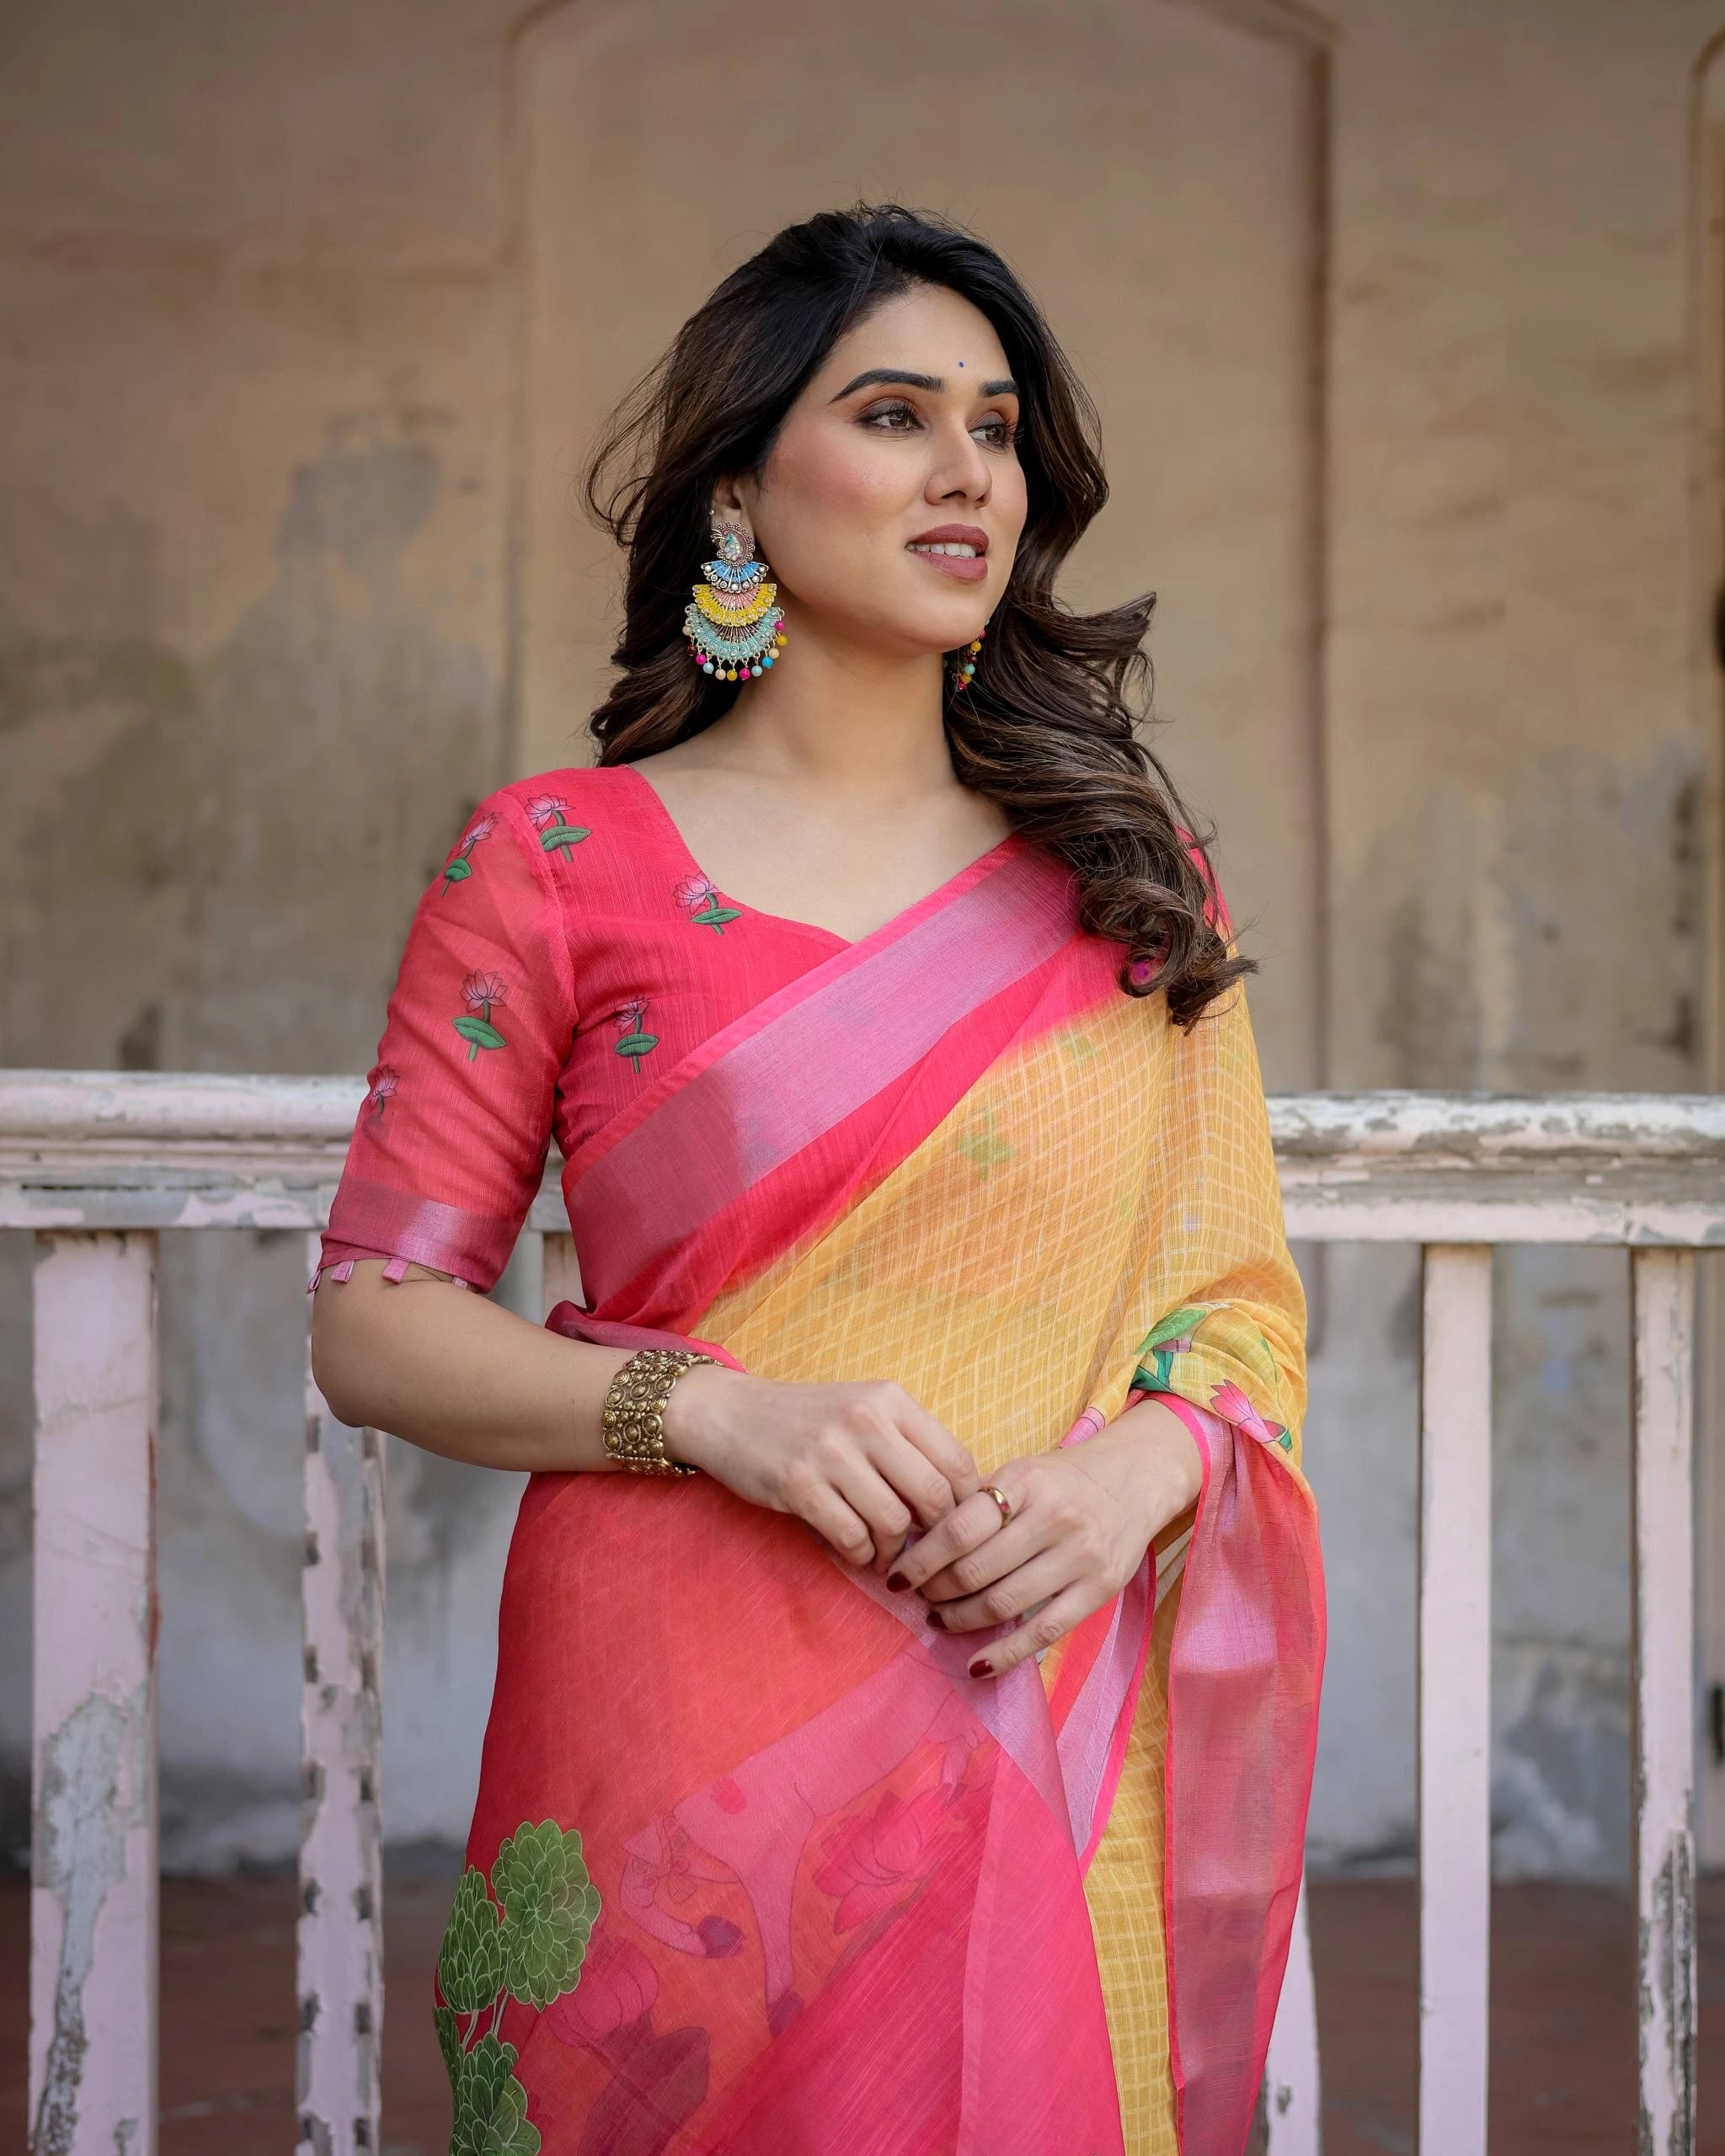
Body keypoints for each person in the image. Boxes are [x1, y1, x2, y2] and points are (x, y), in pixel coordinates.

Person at [309, 201, 1324, 2156]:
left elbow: (1237, 1310)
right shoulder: (554, 859)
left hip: (1037, 1691)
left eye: (1000, 424)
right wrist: (716, 1410)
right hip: (680, 1739)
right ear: (738, 495)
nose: (968, 471)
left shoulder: (1119, 873)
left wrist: (1129, 1484)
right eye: (892, 413)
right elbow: (375, 1320)